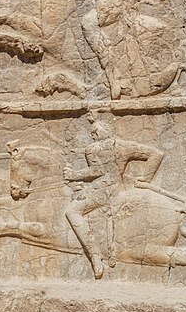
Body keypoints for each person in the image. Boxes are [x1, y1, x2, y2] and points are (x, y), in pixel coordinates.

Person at [63, 114, 164, 279]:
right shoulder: (125, 145)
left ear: (104, 131)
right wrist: (145, 178)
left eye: (95, 132)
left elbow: (98, 171)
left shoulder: (93, 149)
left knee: (72, 211)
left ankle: (94, 255)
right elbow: (156, 154)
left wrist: (74, 174)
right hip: (114, 189)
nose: (93, 136)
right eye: (92, 134)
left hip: (103, 192)